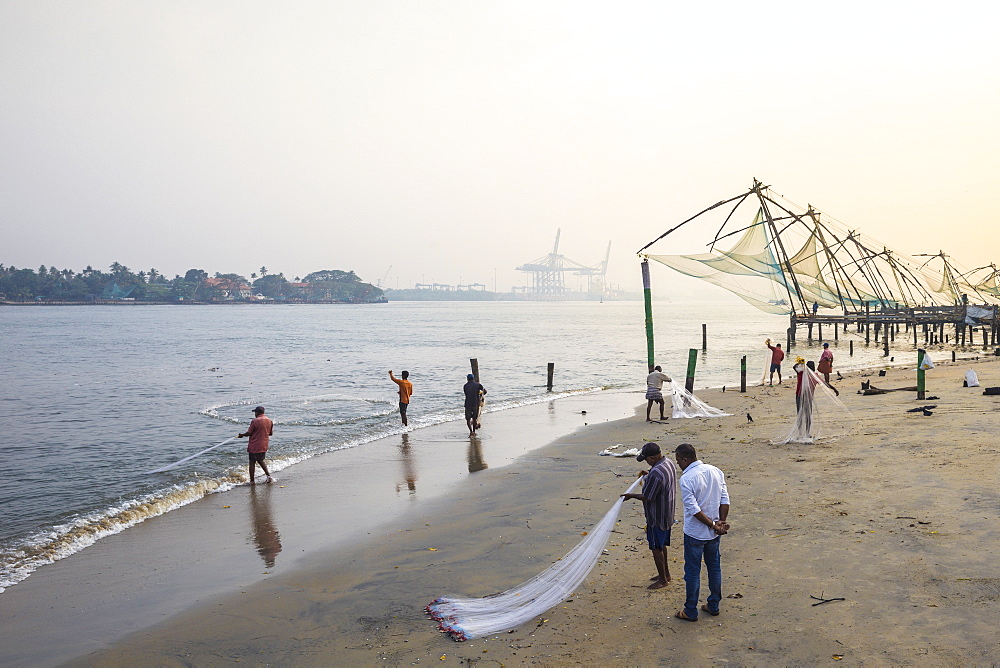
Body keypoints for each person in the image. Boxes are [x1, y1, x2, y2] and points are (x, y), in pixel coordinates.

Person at [673, 443, 730, 621]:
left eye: (678, 461)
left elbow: (694, 510)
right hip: (713, 533)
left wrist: (714, 525)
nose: (678, 465)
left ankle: (690, 610)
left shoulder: (687, 478)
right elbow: (724, 499)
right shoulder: (715, 471)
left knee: (692, 571)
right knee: (714, 568)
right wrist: (720, 523)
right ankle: (713, 604)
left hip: (696, 533)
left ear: (685, 459)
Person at [622, 442, 677, 590]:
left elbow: (649, 497)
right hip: (668, 512)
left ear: (652, 458)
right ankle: (666, 574)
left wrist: (631, 495)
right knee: (662, 545)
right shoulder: (668, 463)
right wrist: (649, 474)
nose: (646, 461)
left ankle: (663, 580)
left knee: (655, 548)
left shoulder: (656, 473)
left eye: (646, 459)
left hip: (656, 517)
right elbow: (659, 481)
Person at [238, 406, 275, 484]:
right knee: (261, 460)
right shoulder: (269, 421)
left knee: (252, 462)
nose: (255, 414)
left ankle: (252, 481)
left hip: (254, 445)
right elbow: (270, 433)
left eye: (255, 412)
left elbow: (249, 433)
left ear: (257, 412)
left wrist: (242, 435)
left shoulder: (255, 421)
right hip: (264, 444)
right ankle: (269, 476)